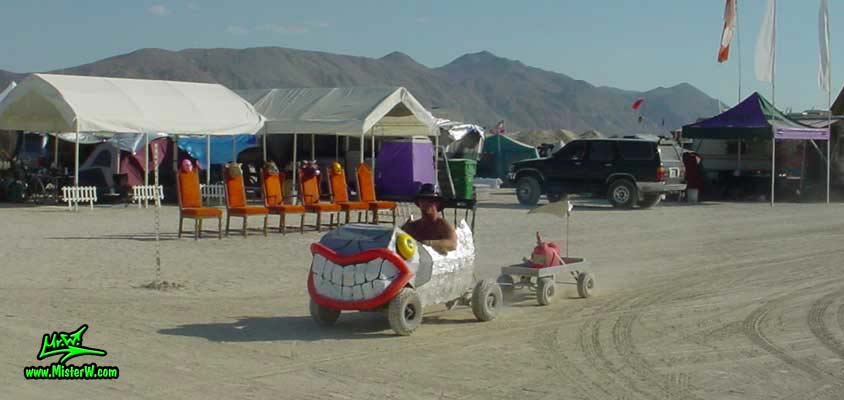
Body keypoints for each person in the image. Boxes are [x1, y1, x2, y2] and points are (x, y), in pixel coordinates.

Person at [401, 183, 458, 255]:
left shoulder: (442, 225)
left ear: (437, 203)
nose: (426, 203)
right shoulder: (413, 227)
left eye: (430, 200)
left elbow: (453, 244)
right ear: (419, 202)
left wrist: (429, 243)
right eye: (422, 200)